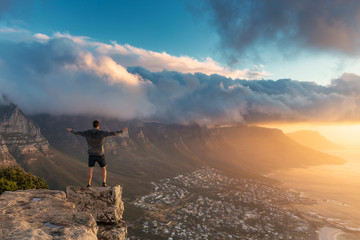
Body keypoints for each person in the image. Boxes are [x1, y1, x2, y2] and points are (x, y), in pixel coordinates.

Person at [66, 120, 127, 188]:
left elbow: (78, 132)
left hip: (91, 154)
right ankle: (104, 182)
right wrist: (121, 131)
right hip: (100, 154)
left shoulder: (87, 132)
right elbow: (112, 133)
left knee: (90, 169)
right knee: (103, 168)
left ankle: (89, 184)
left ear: (93, 125)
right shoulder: (102, 133)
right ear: (98, 126)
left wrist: (71, 130)